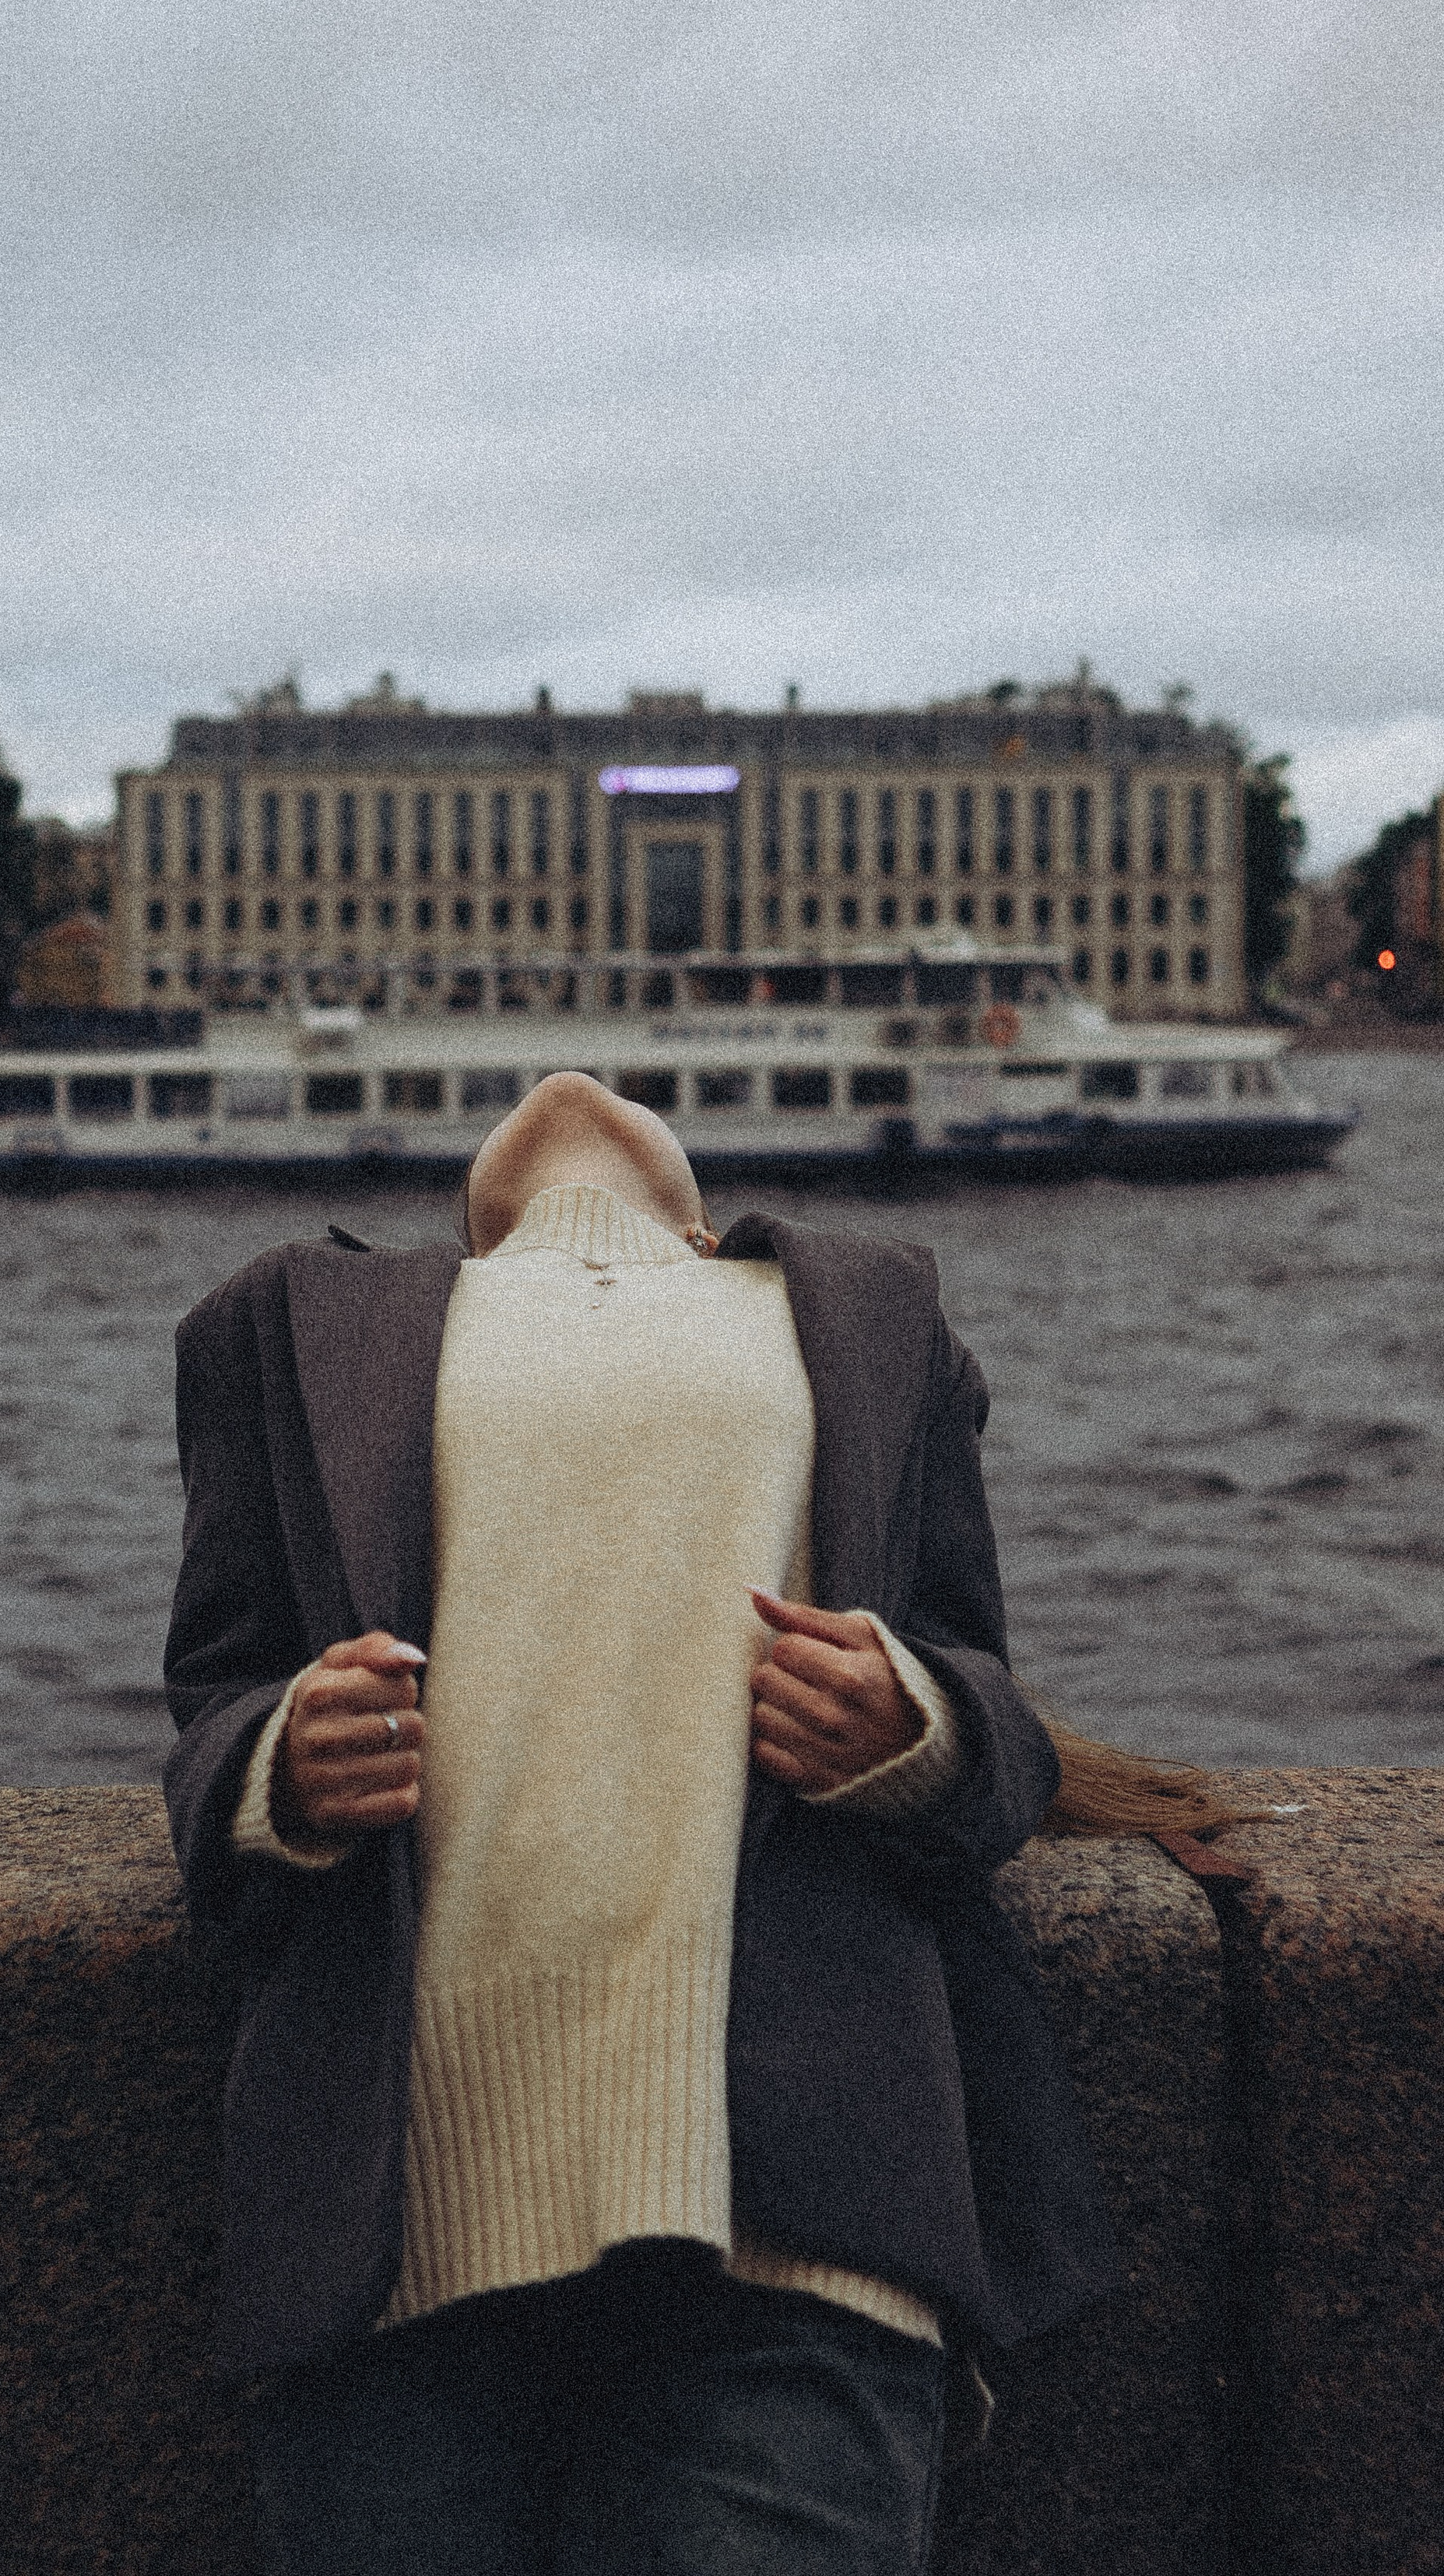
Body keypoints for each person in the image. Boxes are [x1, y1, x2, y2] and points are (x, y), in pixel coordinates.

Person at [163, 1073, 1127, 2574]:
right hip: (399, 2226)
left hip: (802, 2220)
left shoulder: (870, 1315)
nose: (571, 1080)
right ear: (468, 1251)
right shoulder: (283, 1323)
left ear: (700, 1231)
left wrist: (917, 1726)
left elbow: (995, 1714)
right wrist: (281, 1765)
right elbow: (214, 1701)